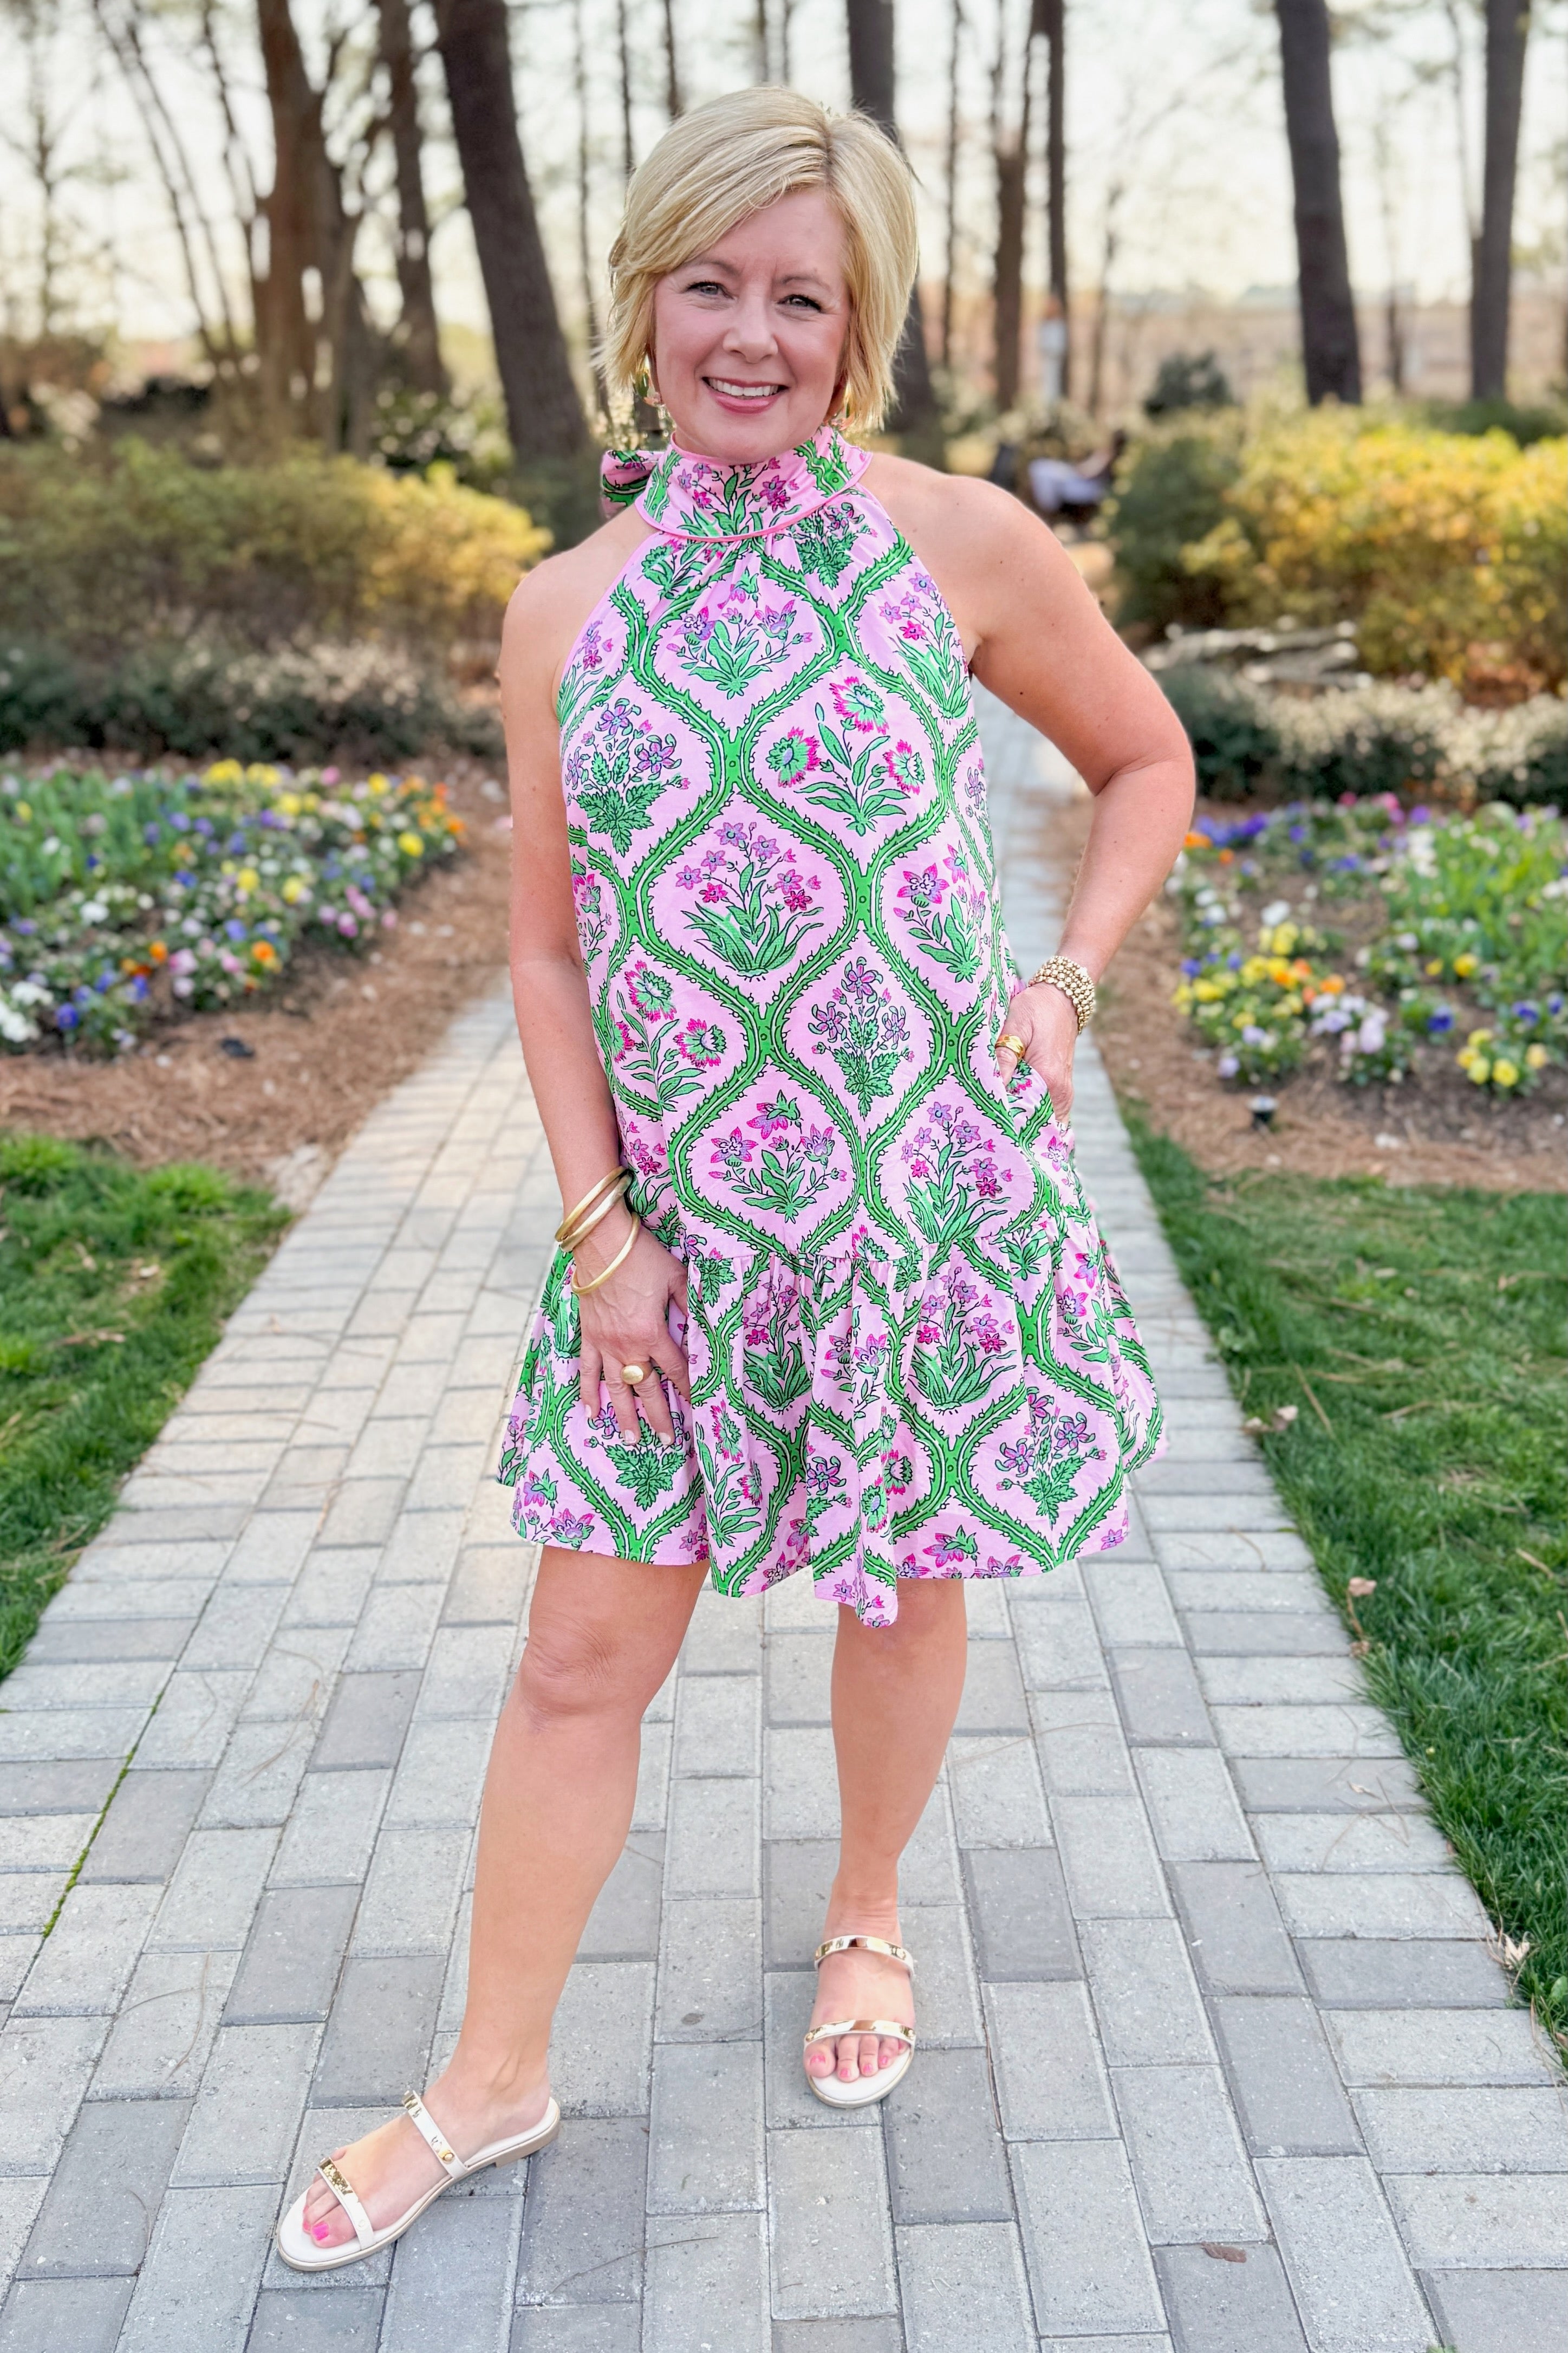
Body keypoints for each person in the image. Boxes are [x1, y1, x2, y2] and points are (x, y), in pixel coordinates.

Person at [277, 84, 1193, 2272]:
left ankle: (866, 1917)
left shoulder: (960, 542)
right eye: (712, 284)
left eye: (802, 293)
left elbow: (1144, 758)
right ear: (647, 299)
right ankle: (490, 2080)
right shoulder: (559, 607)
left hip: (913, 1209)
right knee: (578, 1660)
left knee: (900, 1584)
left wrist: (1060, 987)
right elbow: (544, 944)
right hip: (671, 1245)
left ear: (857, 320)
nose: (750, 334)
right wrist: (601, 1231)